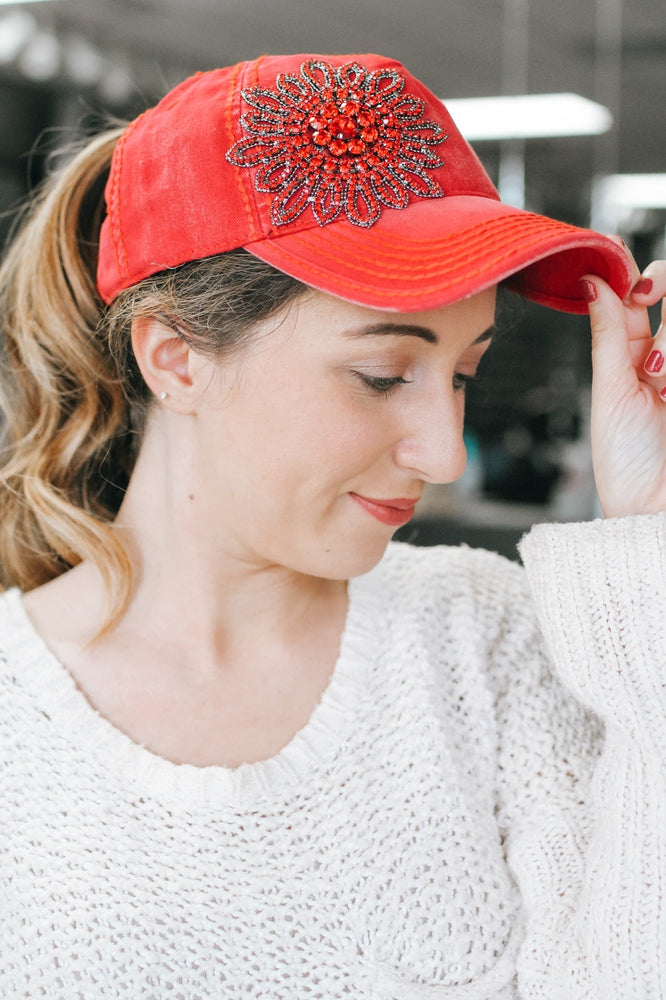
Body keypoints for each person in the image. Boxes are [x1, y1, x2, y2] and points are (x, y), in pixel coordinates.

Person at [0, 51, 664, 998]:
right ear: (177, 360)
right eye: (384, 374)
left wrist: (651, 538)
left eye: (463, 374)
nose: (443, 452)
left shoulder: (493, 640)